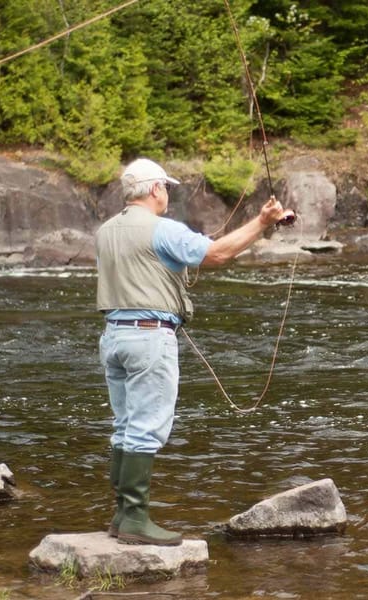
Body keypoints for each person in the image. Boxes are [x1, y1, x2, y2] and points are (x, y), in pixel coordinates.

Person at [96, 157, 294, 546]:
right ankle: (135, 519)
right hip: (150, 338)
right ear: (154, 189)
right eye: (165, 187)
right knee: (145, 428)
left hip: (113, 337)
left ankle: (121, 516)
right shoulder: (162, 229)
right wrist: (263, 222)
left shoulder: (106, 230)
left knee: (124, 426)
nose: (167, 193)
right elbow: (218, 253)